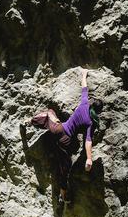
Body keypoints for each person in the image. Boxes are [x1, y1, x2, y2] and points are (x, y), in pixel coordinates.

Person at [24, 68, 101, 203]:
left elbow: (84, 87)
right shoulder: (90, 122)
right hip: (65, 142)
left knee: (49, 113)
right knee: (64, 168)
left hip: (58, 129)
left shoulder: (84, 104)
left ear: (91, 104)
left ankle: (30, 121)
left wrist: (84, 74)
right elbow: (87, 141)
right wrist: (89, 159)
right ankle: (64, 195)